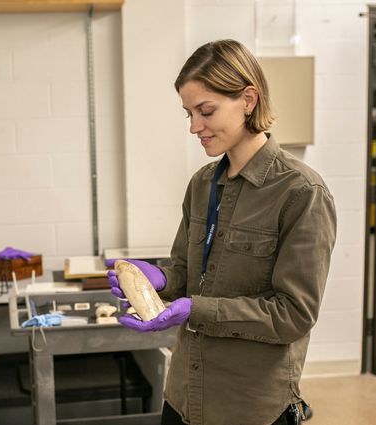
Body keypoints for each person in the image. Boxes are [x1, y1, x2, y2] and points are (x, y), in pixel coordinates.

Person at [106, 39, 336, 425]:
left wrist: (196, 309)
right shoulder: (201, 185)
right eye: (188, 114)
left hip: (249, 407)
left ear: (248, 99)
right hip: (183, 398)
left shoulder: (300, 193)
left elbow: (293, 314)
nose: (195, 127)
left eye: (206, 111)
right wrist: (161, 279)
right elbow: (187, 272)